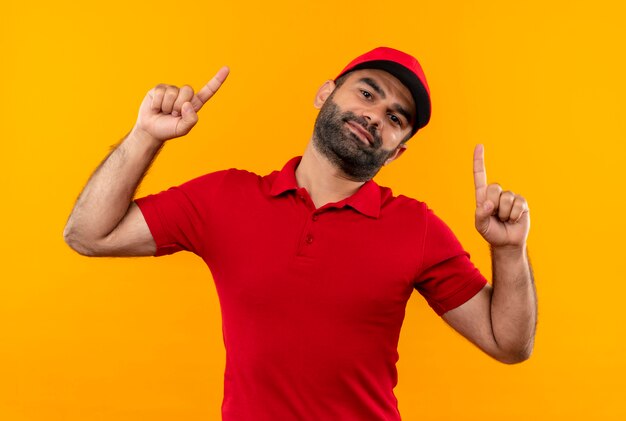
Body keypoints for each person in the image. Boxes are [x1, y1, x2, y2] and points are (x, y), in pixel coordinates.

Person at [64, 47, 537, 420]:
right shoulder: (225, 197)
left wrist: (509, 250)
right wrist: (146, 135)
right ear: (325, 93)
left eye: (396, 118)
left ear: (398, 152)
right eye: (367, 94)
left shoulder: (416, 227)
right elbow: (88, 234)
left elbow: (508, 343)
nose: (375, 116)